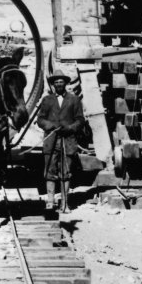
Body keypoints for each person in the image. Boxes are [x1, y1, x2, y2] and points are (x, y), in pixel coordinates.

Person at [35, 70, 85, 212]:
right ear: (53, 84)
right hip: (51, 140)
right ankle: (50, 202)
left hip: (68, 140)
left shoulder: (74, 99)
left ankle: (65, 203)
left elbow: (80, 120)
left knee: (66, 172)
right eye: (56, 82)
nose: (58, 84)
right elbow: (40, 119)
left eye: (61, 81)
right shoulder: (47, 100)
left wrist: (69, 128)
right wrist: (51, 126)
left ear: (65, 83)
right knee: (50, 171)